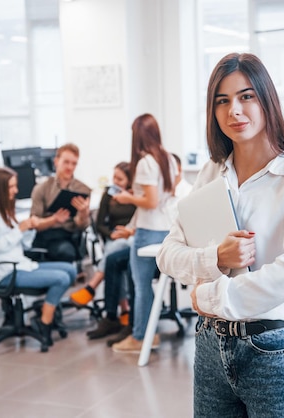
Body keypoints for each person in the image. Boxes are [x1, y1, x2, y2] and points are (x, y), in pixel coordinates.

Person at [156, 53, 284, 417]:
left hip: (272, 347)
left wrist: (211, 296)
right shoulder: (210, 173)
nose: (234, 110)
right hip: (209, 344)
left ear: (267, 101)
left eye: (246, 96)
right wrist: (215, 258)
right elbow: (167, 253)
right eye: (222, 100)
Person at [0, 167, 76, 346]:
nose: (15, 190)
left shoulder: (4, 210)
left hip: (21, 264)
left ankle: (43, 314)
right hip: (6, 272)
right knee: (61, 278)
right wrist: (19, 229)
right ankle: (45, 323)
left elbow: (24, 245)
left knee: (70, 270)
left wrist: (29, 228)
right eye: (11, 187)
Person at [110, 113, 177, 353]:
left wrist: (127, 197)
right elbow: (161, 199)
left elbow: (150, 201)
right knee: (148, 285)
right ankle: (150, 334)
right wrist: (131, 226)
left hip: (149, 232)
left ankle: (140, 337)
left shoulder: (146, 162)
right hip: (165, 228)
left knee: (141, 286)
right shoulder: (167, 158)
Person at [69, 162, 136, 339]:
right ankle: (124, 312)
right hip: (114, 238)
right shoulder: (109, 194)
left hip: (132, 237)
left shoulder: (137, 196)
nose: (116, 181)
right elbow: (99, 225)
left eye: (120, 178)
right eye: (114, 177)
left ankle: (92, 287)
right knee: (115, 257)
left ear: (130, 180)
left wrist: (126, 234)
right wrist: (112, 234)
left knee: (116, 253)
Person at [29, 143, 92, 262]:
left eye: (74, 163)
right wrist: (54, 219)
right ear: (56, 161)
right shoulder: (41, 188)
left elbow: (81, 225)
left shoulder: (82, 189)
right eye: (66, 162)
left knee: (69, 251)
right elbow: (34, 223)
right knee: (63, 252)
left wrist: (83, 213)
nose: (70, 167)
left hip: (70, 236)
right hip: (48, 236)